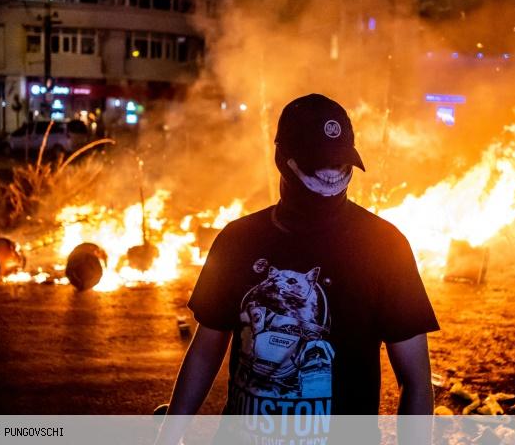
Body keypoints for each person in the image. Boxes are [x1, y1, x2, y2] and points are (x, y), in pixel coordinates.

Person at [156, 94, 439, 444]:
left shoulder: (385, 246)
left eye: (340, 162)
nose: (332, 174)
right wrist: (168, 436)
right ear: (283, 158)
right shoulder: (238, 240)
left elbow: (415, 380)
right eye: (320, 163)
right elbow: (204, 351)